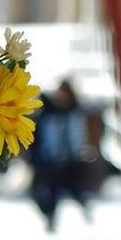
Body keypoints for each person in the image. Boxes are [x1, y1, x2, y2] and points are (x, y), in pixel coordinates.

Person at [29, 78, 88, 230]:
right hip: (46, 159)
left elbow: (78, 136)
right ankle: (49, 216)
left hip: (69, 161)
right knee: (41, 192)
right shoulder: (46, 112)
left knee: (73, 190)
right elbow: (36, 137)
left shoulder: (75, 112)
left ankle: (83, 208)